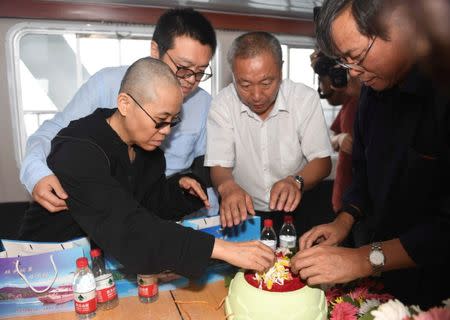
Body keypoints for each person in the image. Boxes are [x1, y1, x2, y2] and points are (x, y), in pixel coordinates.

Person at [19, 57, 276, 278]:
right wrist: (222, 249)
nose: (165, 132)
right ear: (125, 104)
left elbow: (146, 205)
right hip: (43, 268)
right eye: (160, 121)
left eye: (172, 122)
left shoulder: (147, 150)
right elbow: (129, 228)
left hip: (97, 265)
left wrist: (177, 191)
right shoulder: (79, 149)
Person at [291, 0, 450, 308]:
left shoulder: (442, 88)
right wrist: (344, 221)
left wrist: (363, 259)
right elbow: (364, 175)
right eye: (346, 63)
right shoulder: (372, 93)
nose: (354, 74)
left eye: (357, 56)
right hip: (387, 275)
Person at [20, 8, 219, 215]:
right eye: (183, 68)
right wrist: (36, 174)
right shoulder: (107, 84)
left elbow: (203, 168)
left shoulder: (203, 103)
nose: (190, 81)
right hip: (109, 205)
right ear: (155, 50)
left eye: (201, 72)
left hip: (165, 207)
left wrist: (212, 217)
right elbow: (52, 134)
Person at [205, 31, 332, 235]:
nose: (256, 96)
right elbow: (220, 165)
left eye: (266, 83)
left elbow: (322, 161)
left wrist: (296, 181)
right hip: (244, 213)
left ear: (281, 70)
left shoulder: (303, 99)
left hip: (298, 209)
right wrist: (227, 187)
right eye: (244, 85)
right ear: (233, 75)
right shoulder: (222, 104)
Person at [311, 51, 361, 213]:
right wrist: (340, 138)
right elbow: (330, 140)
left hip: (360, 203)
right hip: (344, 198)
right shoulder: (349, 104)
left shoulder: (366, 102)